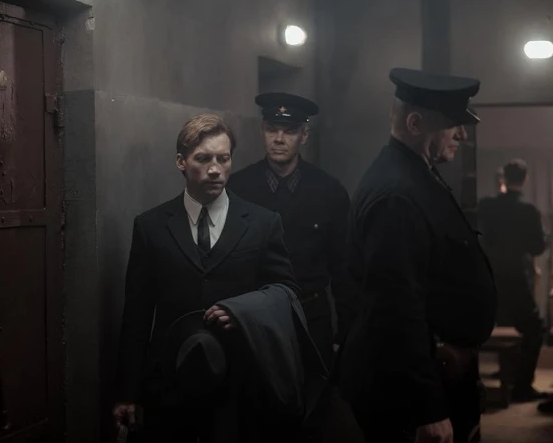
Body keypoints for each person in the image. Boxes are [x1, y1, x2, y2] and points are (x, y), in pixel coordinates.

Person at [112, 114, 303, 442]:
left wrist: (243, 311)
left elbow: (286, 291)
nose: (215, 169)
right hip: (170, 382)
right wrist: (127, 392)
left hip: (239, 382)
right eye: (203, 159)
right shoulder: (151, 226)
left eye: (223, 159)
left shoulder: (262, 223)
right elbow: (136, 316)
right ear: (181, 162)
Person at [334, 68, 497, 443]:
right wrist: (428, 408)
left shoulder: (415, 173)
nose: (462, 135)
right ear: (415, 123)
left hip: (436, 374)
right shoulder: (396, 194)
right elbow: (396, 309)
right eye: (452, 125)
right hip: (408, 395)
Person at [228, 92, 354, 365]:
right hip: (255, 320)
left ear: (304, 135)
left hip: (312, 319)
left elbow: (343, 268)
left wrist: (345, 332)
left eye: (290, 131)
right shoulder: (238, 188)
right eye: (272, 129)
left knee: (314, 390)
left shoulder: (329, 191)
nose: (279, 139)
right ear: (262, 131)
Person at [478, 159, 548, 401]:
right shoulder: (528, 211)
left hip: (487, 276)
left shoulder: (486, 206)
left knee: (503, 323)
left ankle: (506, 373)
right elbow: (537, 247)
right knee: (534, 329)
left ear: (503, 178)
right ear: (525, 179)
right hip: (514, 276)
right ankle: (522, 386)